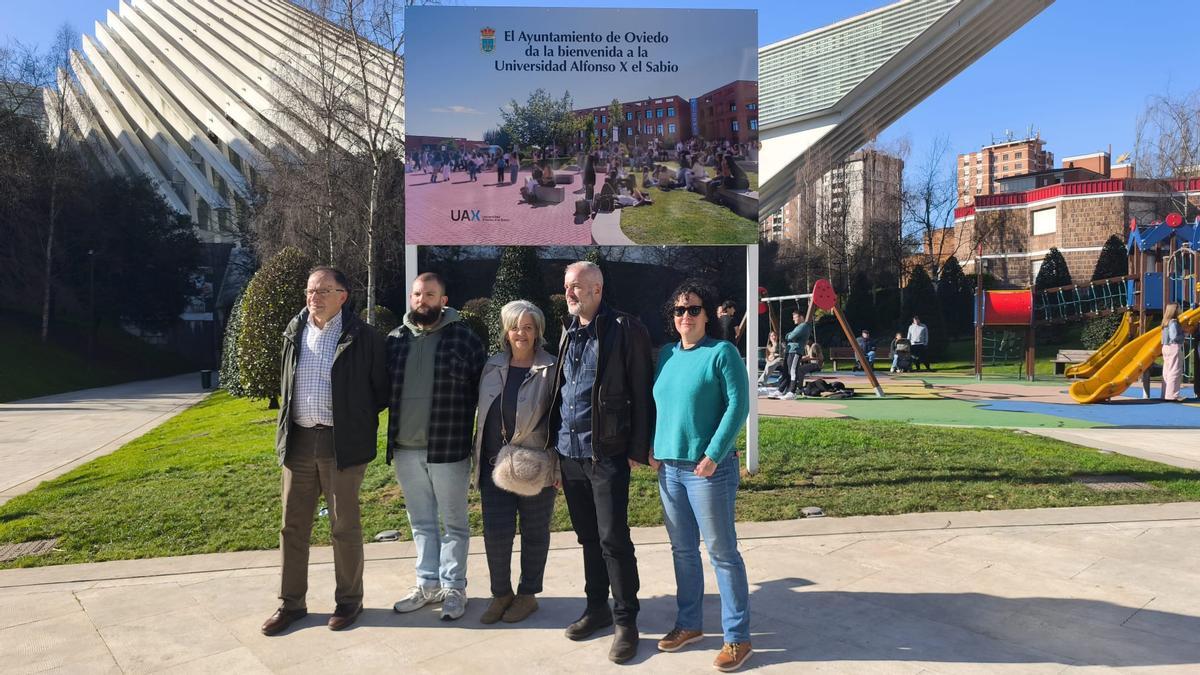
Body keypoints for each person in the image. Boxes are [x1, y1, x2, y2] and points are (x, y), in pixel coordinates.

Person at [262, 267, 388, 636]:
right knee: (292, 526)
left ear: (343, 296)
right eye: (310, 290)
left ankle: (349, 601)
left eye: (322, 290)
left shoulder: (364, 337)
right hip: (298, 441)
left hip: (342, 444)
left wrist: (355, 419)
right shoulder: (293, 331)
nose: (313, 297)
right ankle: (291, 604)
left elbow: (380, 391)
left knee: (343, 526)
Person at [552, 261, 654, 664]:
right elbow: (561, 393)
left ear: (597, 288)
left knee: (613, 539)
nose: (569, 293)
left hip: (606, 453)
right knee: (587, 538)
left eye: (575, 286)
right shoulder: (567, 331)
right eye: (566, 286)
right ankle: (597, 608)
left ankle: (626, 621)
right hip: (569, 453)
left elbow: (641, 391)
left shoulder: (625, 329)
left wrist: (635, 448)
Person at [649, 280, 752, 671]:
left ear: (708, 314)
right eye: (679, 310)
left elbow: (738, 406)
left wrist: (714, 454)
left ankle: (737, 637)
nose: (686, 316)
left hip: (708, 470)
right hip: (670, 469)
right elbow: (661, 405)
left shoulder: (722, 352)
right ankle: (689, 624)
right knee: (683, 552)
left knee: (722, 554)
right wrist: (653, 447)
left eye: (693, 309)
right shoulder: (667, 356)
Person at [387, 273, 487, 621]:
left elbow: (482, 395)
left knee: (454, 524)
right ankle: (427, 584)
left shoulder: (465, 340)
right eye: (417, 294)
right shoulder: (395, 340)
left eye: (429, 294)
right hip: (405, 448)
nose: (422, 300)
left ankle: (454, 587)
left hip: (449, 448)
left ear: (444, 300)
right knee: (421, 522)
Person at [474, 301, 559, 624]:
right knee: (496, 533)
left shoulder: (551, 367)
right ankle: (501, 594)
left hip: (535, 466)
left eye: (528, 327)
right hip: (494, 466)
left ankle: (527, 595)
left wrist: (557, 466)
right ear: (505, 331)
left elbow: (560, 421)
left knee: (535, 532)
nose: (521, 333)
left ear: (538, 331)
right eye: (515, 327)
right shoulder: (491, 365)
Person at [770, 303, 815, 399]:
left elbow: (791, 336)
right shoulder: (798, 327)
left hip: (795, 352)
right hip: (789, 351)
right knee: (786, 371)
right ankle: (781, 390)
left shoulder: (804, 326)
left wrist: (789, 336)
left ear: (801, 317)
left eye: (795, 317)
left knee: (792, 371)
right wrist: (789, 336)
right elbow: (790, 336)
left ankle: (792, 391)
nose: (793, 319)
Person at [1162, 303, 1186, 401]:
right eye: (1179, 308)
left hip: (1165, 347)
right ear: (1175, 310)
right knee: (1175, 371)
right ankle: (1172, 395)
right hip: (1173, 347)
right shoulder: (1174, 322)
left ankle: (1166, 393)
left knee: (1167, 371)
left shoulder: (1165, 322)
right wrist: (1184, 335)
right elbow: (1174, 336)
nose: (1181, 309)